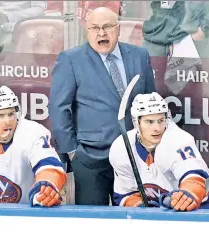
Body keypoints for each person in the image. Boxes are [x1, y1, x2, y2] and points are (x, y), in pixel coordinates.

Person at [49, 7, 156, 206]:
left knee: (133, 220)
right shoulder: (71, 59)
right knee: (91, 225)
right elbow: (59, 108)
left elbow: (151, 103)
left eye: (107, 27)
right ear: (87, 31)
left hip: (134, 157)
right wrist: (73, 152)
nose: (101, 33)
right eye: (95, 28)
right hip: (90, 158)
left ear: (119, 28)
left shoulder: (140, 56)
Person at [109, 92, 209, 211]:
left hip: (203, 206)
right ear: (136, 122)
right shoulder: (122, 148)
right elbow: (125, 195)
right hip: (161, 209)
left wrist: (186, 195)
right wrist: (142, 208)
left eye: (160, 121)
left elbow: (195, 178)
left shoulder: (178, 139)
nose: (157, 128)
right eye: (149, 122)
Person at [0, 86, 66, 206]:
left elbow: (49, 166)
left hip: (27, 208)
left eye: (11, 114)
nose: (8, 121)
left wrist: (47, 185)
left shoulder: (32, 131)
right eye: (1, 115)